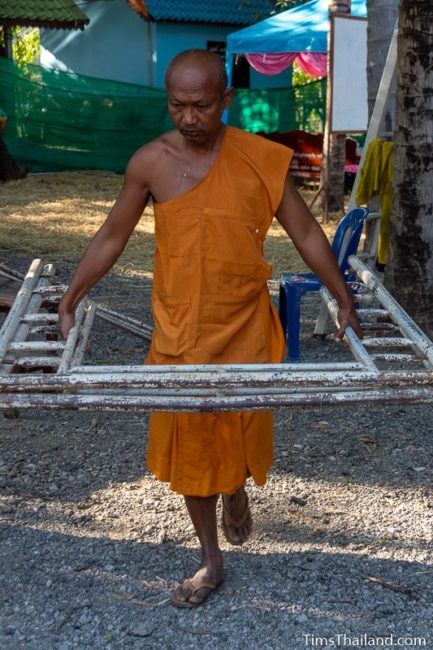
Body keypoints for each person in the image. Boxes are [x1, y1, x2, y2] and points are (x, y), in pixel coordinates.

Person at [59, 49, 362, 609]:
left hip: (244, 323)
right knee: (193, 443)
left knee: (240, 431)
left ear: (226, 100)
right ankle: (210, 558)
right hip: (180, 329)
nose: (189, 118)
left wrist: (342, 297)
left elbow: (307, 234)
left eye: (202, 106)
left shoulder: (259, 159)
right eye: (178, 106)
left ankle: (237, 489)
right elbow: (111, 236)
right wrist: (71, 298)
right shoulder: (149, 163)